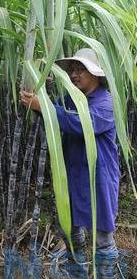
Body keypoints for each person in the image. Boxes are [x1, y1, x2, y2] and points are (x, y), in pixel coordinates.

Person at [20, 48, 120, 278]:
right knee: (71, 229)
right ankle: (76, 273)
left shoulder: (105, 101)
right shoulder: (71, 99)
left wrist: (42, 106)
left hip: (98, 178)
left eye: (80, 69)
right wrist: (36, 96)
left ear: (96, 74)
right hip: (72, 174)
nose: (74, 74)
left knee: (102, 237)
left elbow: (82, 124)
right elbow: (53, 114)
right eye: (72, 70)